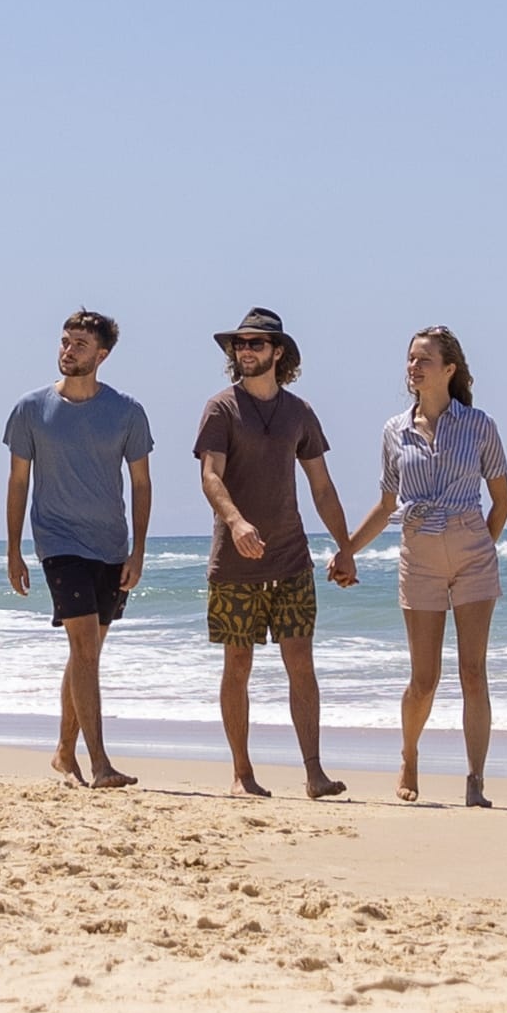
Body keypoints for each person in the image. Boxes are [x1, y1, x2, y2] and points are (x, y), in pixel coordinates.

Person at [349, 322, 507, 806]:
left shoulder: (480, 425)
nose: (412, 367)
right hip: (417, 550)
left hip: (471, 549)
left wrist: (478, 545)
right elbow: (385, 506)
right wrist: (347, 551)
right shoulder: (394, 431)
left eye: (423, 359)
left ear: (449, 369)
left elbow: (502, 502)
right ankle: (409, 754)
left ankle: (476, 780)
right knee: (424, 679)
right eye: (410, 358)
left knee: (473, 672)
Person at [189, 308, 347, 803]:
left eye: (257, 343)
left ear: (279, 352)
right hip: (235, 563)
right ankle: (242, 772)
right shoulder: (221, 409)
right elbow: (210, 475)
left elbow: (321, 486)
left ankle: (315, 773)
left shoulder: (299, 412)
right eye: (240, 343)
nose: (246, 350)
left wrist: (346, 547)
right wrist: (235, 522)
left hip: (291, 560)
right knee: (238, 665)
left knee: (301, 662)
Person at [0, 309, 153, 787]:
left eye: (80, 345)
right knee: (84, 647)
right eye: (65, 342)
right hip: (58, 543)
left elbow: (142, 484)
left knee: (87, 653)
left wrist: (139, 550)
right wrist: (13, 550)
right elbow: (18, 480)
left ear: (101, 355)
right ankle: (100, 762)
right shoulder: (30, 409)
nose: (68, 351)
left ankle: (64, 752)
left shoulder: (127, 411)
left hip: (111, 545)